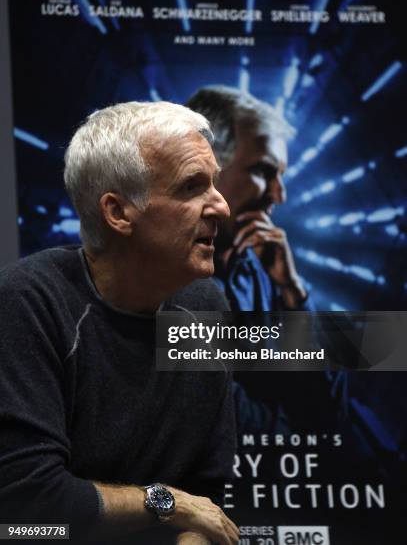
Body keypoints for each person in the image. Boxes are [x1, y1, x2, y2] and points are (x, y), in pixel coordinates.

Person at [0, 101, 239, 545]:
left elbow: (210, 493)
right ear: (118, 212)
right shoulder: (27, 301)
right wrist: (167, 502)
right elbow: (28, 505)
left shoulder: (205, 305)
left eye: (215, 184)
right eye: (192, 187)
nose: (221, 207)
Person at [187, 86, 335, 434]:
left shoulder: (257, 269)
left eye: (280, 175)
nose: (278, 195)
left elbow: (323, 405)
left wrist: (293, 294)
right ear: (202, 168)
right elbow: (226, 422)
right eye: (264, 172)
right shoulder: (161, 281)